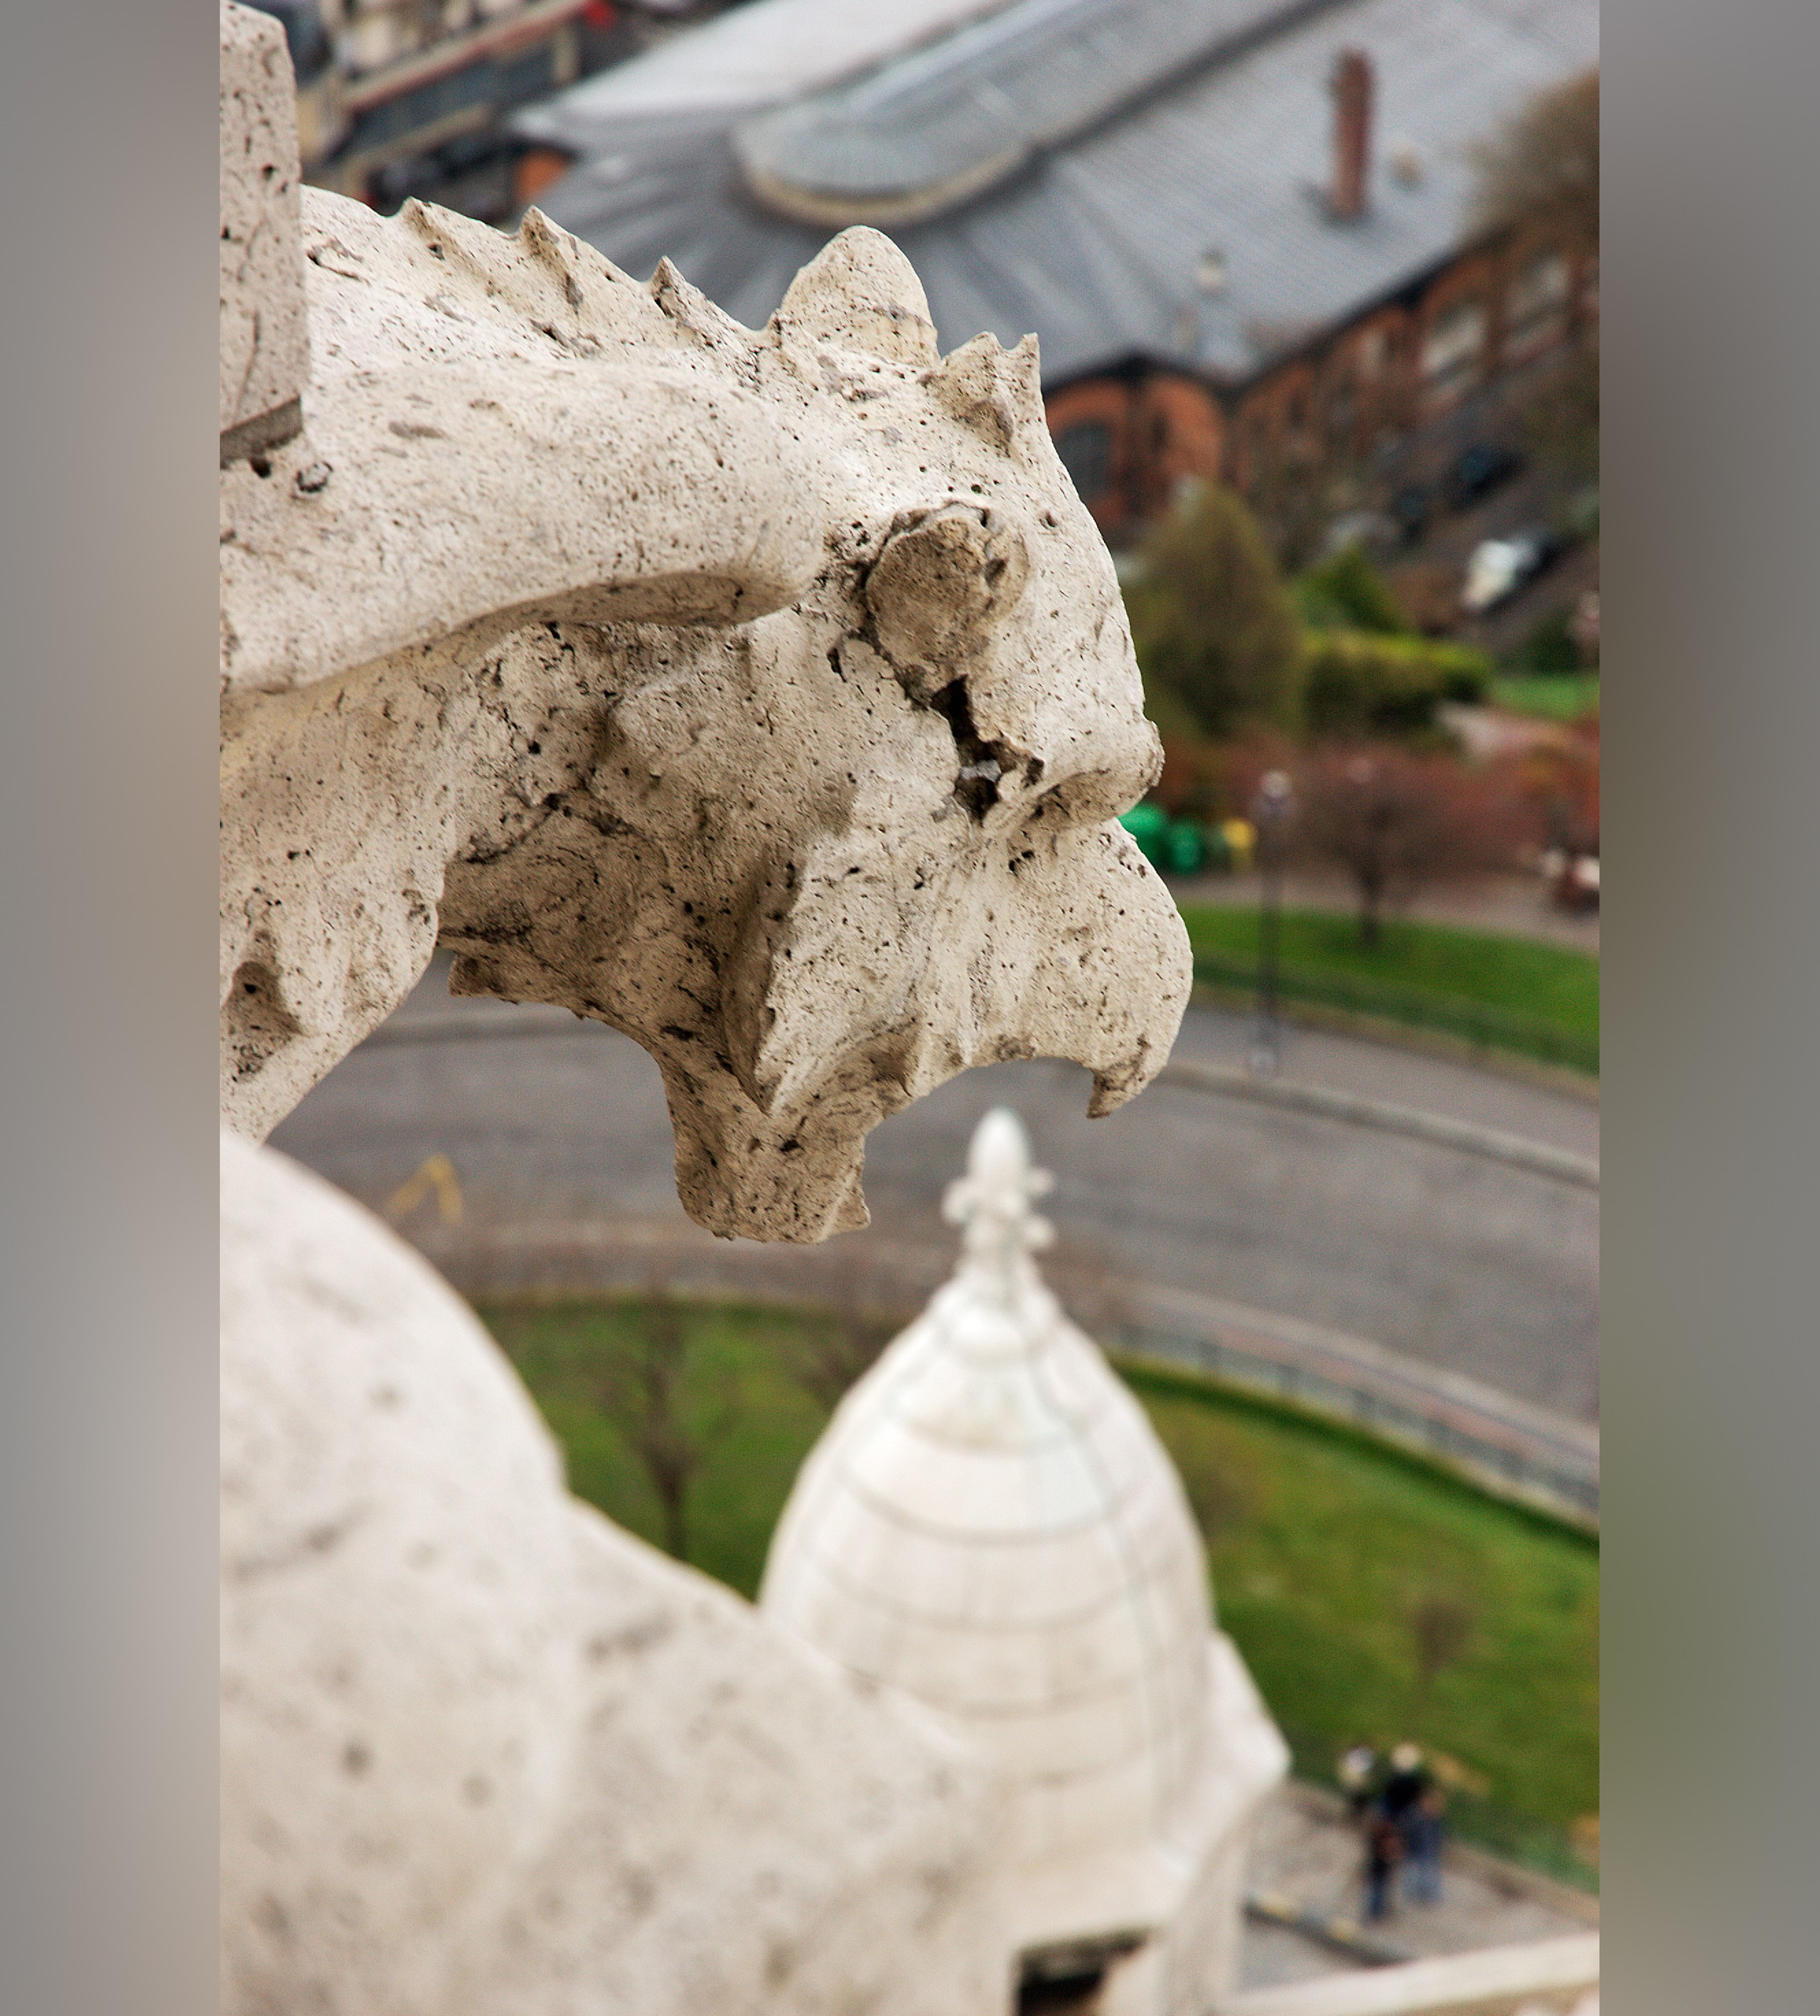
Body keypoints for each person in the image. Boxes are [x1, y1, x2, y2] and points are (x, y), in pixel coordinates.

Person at [1404, 1784, 1447, 1904]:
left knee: (1429, 1873)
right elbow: (1409, 1830)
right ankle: (1412, 1892)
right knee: (1412, 1872)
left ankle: (1429, 1895)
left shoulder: (1436, 1820)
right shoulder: (1416, 1816)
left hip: (1429, 1850)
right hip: (1415, 1849)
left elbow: (1439, 1834)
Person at [1362, 1806, 1403, 1922]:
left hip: (1382, 1867)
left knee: (1379, 1890)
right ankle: (1374, 1914)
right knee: (1377, 1890)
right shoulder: (1382, 1834)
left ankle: (1375, 1913)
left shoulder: (1385, 1833)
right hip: (1379, 1866)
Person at [1337, 1743, 1378, 1819]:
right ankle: (1354, 1815)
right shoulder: (1365, 1755)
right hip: (1359, 1780)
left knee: (1354, 1798)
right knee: (1357, 1798)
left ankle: (1352, 1814)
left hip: (1353, 1779)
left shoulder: (1355, 1754)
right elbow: (1367, 1768)